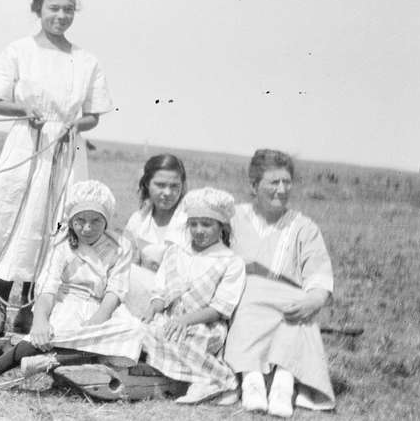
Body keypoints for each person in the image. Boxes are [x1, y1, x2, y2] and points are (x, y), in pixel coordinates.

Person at [0, 0, 112, 339]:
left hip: (67, 151)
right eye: (53, 8)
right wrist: (24, 109)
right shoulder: (18, 51)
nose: (61, 16)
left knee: (51, 228)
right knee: (12, 221)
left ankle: (27, 312)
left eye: (68, 9)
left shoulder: (86, 60)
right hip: (27, 146)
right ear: (38, 9)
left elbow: (94, 114)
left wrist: (77, 123)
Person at [0, 181, 142, 390]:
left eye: (96, 221)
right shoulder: (61, 243)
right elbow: (48, 287)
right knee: (49, 333)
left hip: (103, 307)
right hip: (68, 300)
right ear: (71, 220)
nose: (87, 228)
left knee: (133, 329)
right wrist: (41, 320)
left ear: (106, 220)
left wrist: (96, 322)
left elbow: (115, 291)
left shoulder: (120, 246)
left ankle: (51, 360)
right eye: (80, 220)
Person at [224, 149, 335, 417]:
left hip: (287, 299)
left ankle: (283, 385)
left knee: (300, 310)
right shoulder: (232, 217)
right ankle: (252, 380)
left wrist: (315, 299)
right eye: (274, 182)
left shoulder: (304, 227)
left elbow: (318, 274)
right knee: (248, 299)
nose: (282, 189)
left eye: (287, 182)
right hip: (244, 295)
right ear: (254, 185)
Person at [140, 186, 245, 405]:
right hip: (171, 319)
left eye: (206, 224)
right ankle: (164, 377)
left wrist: (185, 320)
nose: (198, 230)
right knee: (141, 330)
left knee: (180, 339)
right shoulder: (177, 252)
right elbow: (161, 290)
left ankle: (216, 380)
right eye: (193, 224)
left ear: (222, 227)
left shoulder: (230, 261)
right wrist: (154, 306)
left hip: (203, 325)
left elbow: (219, 309)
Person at [122, 154, 190, 317]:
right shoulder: (138, 220)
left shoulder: (190, 222)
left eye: (175, 186)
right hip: (141, 295)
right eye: (160, 185)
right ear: (146, 183)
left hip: (179, 297)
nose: (167, 192)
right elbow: (127, 264)